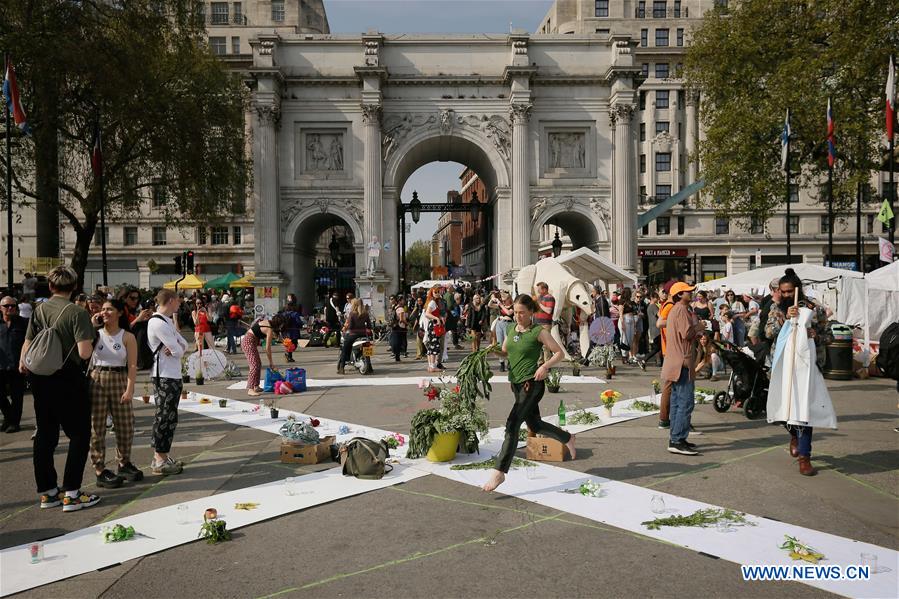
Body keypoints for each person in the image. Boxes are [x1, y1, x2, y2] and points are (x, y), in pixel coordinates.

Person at [20, 266, 99, 511]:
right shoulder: (76, 312)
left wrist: (24, 363)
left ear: (51, 286)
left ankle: (48, 492)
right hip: (67, 377)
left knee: (45, 434)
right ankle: (72, 492)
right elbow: (84, 352)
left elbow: (28, 342)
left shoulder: (39, 309)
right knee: (79, 434)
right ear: (74, 286)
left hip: (41, 376)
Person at [483, 294, 575, 492]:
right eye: (515, 312)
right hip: (516, 384)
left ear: (531, 312)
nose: (518, 316)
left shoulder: (538, 332)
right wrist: (493, 351)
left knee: (512, 424)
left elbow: (559, 352)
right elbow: (506, 351)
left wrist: (545, 367)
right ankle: (568, 438)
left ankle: (500, 471)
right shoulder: (510, 328)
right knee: (534, 424)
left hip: (532, 384)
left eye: (522, 313)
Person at [765, 268, 836, 476]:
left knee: (804, 411)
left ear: (798, 289)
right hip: (782, 366)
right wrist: (785, 318)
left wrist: (815, 334)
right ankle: (793, 434)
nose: (786, 295)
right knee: (782, 409)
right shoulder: (776, 309)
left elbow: (829, 335)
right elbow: (768, 333)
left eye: (790, 292)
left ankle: (805, 457)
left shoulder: (815, 308)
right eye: (783, 292)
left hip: (807, 367)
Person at [89, 299, 142, 488]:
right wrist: (91, 325)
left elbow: (133, 365)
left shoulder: (127, 336)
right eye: (103, 309)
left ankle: (124, 462)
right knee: (97, 427)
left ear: (120, 313)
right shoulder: (94, 333)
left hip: (119, 378)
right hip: (97, 378)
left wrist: (130, 389)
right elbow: (84, 353)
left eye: (109, 309)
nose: (104, 312)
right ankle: (99, 469)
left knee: (125, 425)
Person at [660, 281, 706, 456]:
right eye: (688, 291)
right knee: (685, 403)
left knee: (678, 402)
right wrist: (700, 327)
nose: (691, 293)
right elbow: (686, 334)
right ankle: (677, 440)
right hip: (682, 363)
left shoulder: (678, 310)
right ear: (680, 295)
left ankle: (678, 438)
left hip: (677, 362)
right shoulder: (680, 310)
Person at [147, 289, 188, 476]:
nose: (179, 304)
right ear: (171, 301)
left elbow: (184, 345)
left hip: (172, 374)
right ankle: (159, 459)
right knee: (164, 416)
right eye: (178, 301)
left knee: (170, 416)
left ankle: (163, 456)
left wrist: (178, 348)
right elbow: (177, 349)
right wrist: (178, 348)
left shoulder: (167, 321)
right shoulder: (157, 323)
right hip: (164, 374)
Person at [0, 297, 27, 433]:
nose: (10, 308)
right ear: (1, 308)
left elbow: (29, 343)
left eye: (13, 306)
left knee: (17, 397)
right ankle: (7, 417)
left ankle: (14, 423)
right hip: (1, 366)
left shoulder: (23, 323)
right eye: (6, 306)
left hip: (18, 366)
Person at [243, 313, 283, 394]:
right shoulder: (269, 329)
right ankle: (250, 389)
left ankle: (256, 386)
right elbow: (267, 348)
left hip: (251, 341)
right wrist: (271, 363)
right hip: (248, 342)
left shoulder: (267, 322)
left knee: (258, 364)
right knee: (254, 365)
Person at [656, 289, 675, 429]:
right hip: (671, 350)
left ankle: (665, 418)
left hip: (669, 349)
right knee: (670, 385)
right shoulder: (669, 305)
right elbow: (660, 322)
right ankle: (664, 419)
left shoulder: (666, 304)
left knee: (671, 386)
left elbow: (660, 317)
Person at [338, 299, 371, 374]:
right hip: (364, 334)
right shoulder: (365, 313)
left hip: (353, 334)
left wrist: (346, 328)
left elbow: (350, 326)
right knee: (367, 351)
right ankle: (370, 368)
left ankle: (342, 367)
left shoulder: (352, 314)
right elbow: (369, 325)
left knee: (345, 349)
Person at [491, 291, 514, 372]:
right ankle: (501, 363)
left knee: (508, 344)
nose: (503, 301)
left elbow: (508, 312)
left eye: (505, 300)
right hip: (500, 323)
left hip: (509, 324)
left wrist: (500, 304)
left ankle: (510, 362)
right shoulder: (501, 305)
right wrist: (492, 298)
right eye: (502, 300)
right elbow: (489, 305)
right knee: (500, 344)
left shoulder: (513, 306)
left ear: (509, 299)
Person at [533, 282, 555, 362]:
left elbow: (548, 311)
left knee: (546, 345)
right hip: (537, 323)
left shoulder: (550, 298)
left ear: (544, 289)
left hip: (545, 324)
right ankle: (540, 362)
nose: (538, 291)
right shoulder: (540, 298)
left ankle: (547, 363)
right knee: (538, 344)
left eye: (539, 289)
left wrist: (539, 304)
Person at [644, 291, 663, 367]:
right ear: (652, 298)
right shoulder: (654, 306)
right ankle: (645, 359)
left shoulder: (649, 306)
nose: (657, 299)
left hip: (652, 328)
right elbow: (659, 315)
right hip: (656, 328)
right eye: (656, 297)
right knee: (657, 347)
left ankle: (658, 361)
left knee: (657, 347)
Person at [388, 296, 407, 362]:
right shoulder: (401, 309)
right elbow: (401, 319)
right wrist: (407, 323)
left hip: (394, 326)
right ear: (400, 301)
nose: (404, 301)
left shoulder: (394, 308)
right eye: (403, 300)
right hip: (400, 327)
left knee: (395, 341)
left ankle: (395, 354)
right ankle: (398, 356)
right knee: (400, 342)